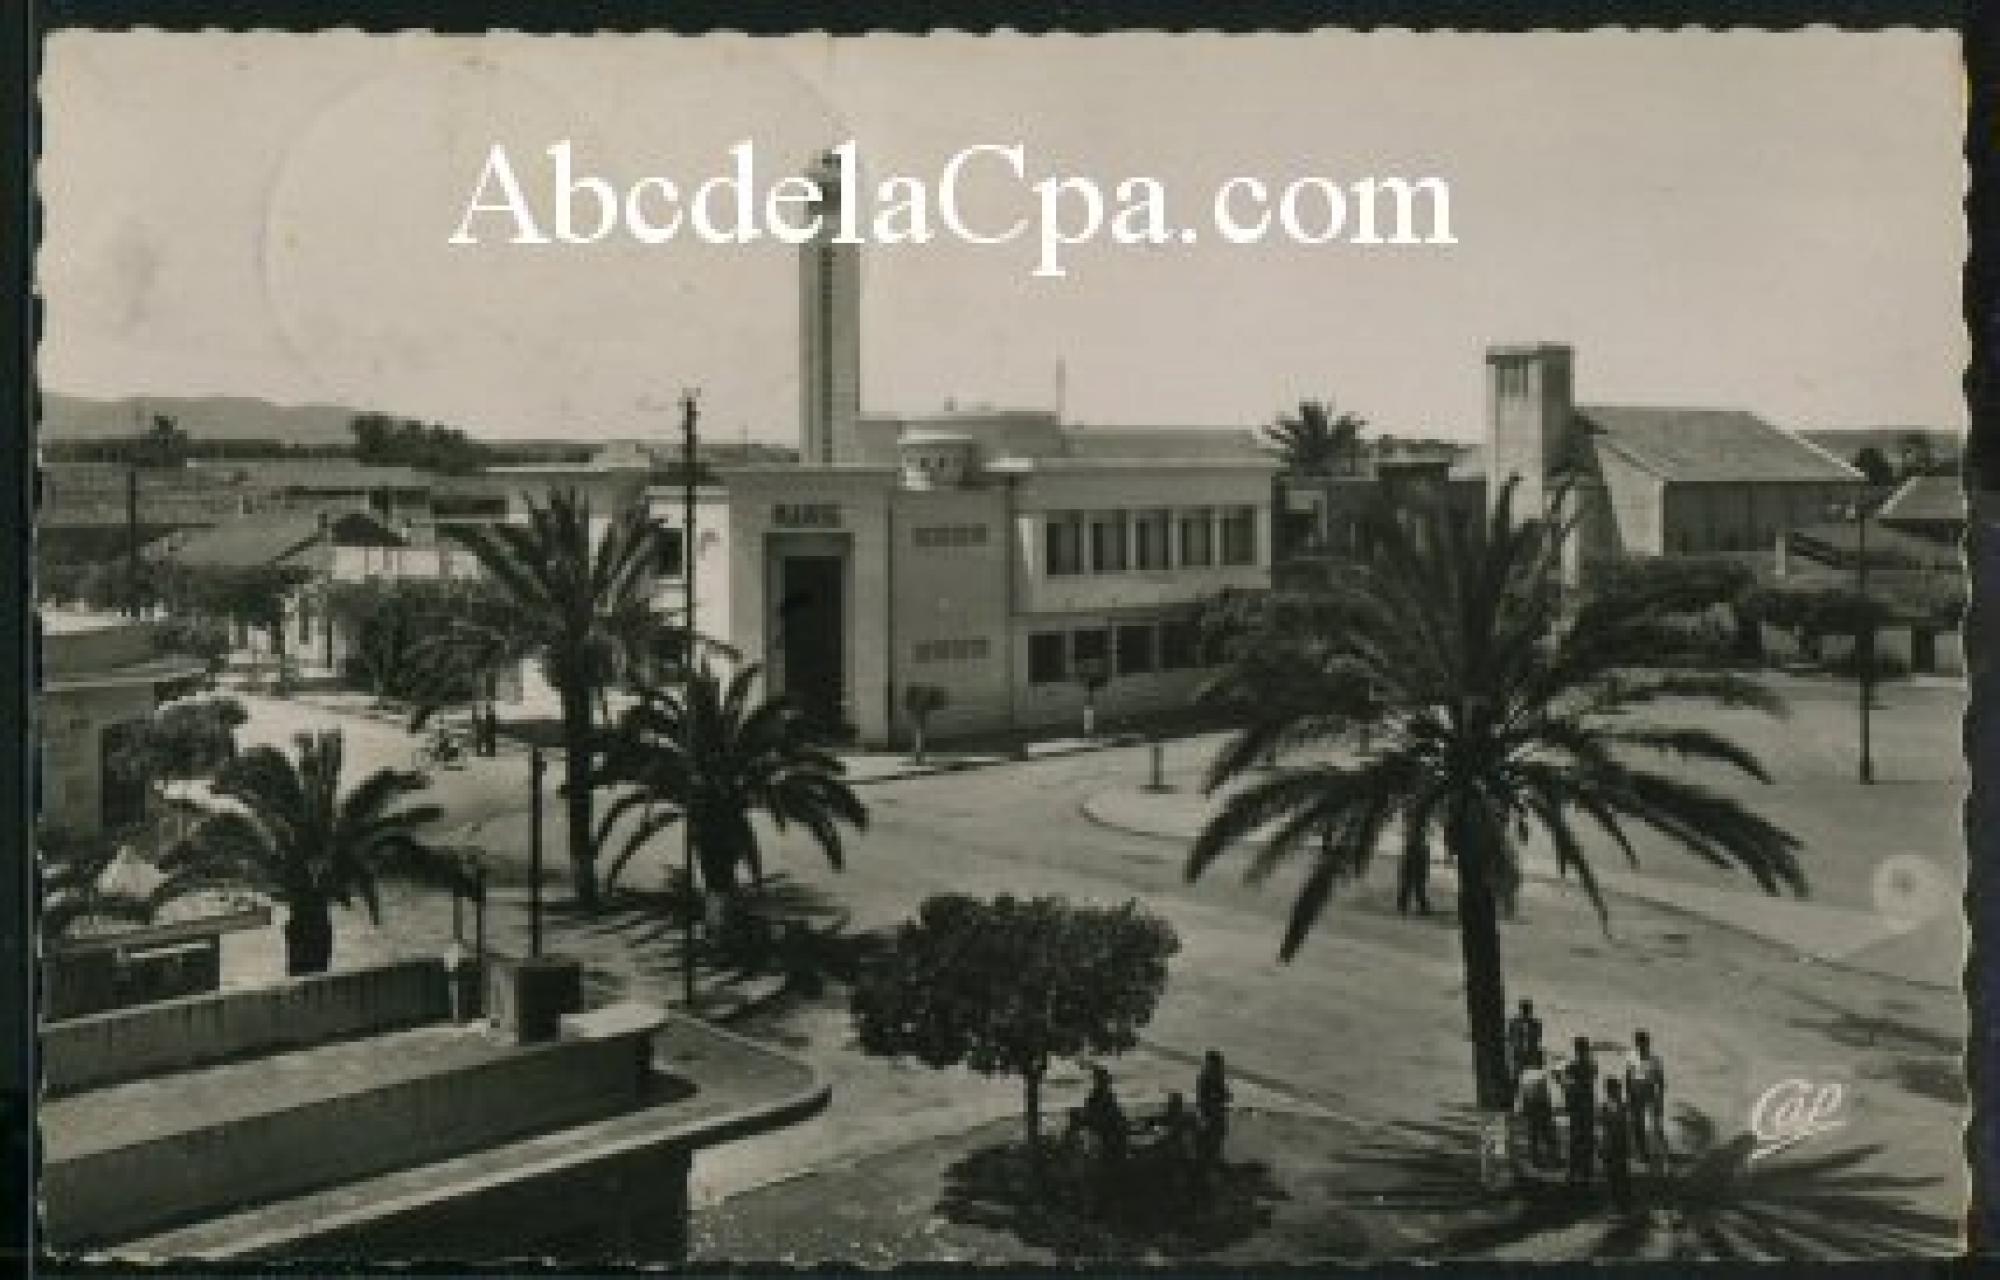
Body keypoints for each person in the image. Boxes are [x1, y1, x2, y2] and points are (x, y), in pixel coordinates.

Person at [1624, 1029, 1667, 1165]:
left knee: (1655, 1123)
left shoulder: (1655, 1059)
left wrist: (1659, 1098)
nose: (1642, 1046)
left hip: (1649, 1090)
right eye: (1639, 1043)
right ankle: (1641, 1153)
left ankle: (1660, 1152)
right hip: (1636, 1090)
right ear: (1637, 1043)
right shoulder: (1631, 1056)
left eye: (1644, 1043)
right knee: (1638, 1123)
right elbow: (1628, 1076)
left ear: (1648, 1043)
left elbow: (1660, 1079)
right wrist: (1628, 1094)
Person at [1514, 1047, 1560, 1170]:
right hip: (1542, 1106)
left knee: (1533, 1134)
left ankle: (1535, 1159)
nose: (1544, 1060)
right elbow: (1549, 1093)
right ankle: (1552, 1158)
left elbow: (1521, 1092)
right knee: (1548, 1134)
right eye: (1542, 1058)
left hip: (1530, 1106)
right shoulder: (1543, 1073)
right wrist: (1553, 1107)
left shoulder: (1525, 1074)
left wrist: (1519, 1108)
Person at [1563, 1038, 1598, 1187]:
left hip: (1579, 1103)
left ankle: (1577, 1170)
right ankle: (1583, 1170)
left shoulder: (1574, 1064)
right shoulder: (1588, 1064)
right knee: (1584, 1137)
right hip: (1584, 1103)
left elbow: (1566, 1082)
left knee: (1578, 1137)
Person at [1599, 1077, 1634, 1210]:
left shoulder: (1623, 1106)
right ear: (1610, 1091)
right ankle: (1615, 1200)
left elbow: (1627, 1126)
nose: (1618, 1092)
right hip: (1610, 1143)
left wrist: (1628, 1143)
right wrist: (1602, 1145)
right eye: (1616, 1090)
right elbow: (1602, 1128)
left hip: (1620, 1142)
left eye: (1618, 1090)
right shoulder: (1606, 1107)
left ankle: (1624, 1199)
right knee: (1612, 1173)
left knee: (1622, 1172)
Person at [1196, 1050, 1232, 1171]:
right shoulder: (1206, 1078)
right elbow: (1203, 1099)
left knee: (1215, 1142)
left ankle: (1212, 1163)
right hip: (1210, 1115)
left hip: (1215, 1115)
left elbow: (1226, 1096)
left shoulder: (1216, 1077)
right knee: (1210, 1143)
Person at [1507, 999, 1544, 1090]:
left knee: (1533, 1081)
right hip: (1519, 1054)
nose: (1526, 1012)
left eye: (1527, 1010)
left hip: (1530, 1054)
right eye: (1524, 1010)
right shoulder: (1514, 1023)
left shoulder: (1535, 1024)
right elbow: (1511, 1039)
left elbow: (1538, 1039)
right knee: (1516, 1079)